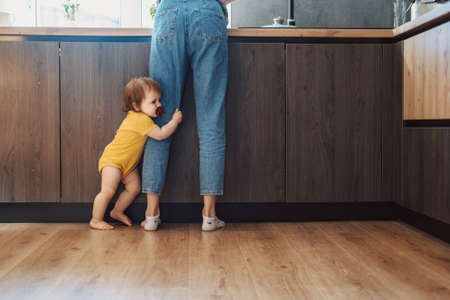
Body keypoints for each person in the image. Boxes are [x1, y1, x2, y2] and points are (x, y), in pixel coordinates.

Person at [141, 0, 233, 231]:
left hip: (168, 13)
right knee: (211, 117)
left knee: (159, 116)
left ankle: (151, 214)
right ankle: (209, 215)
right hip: (209, 13)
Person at [89, 77, 183, 230]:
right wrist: (174, 121)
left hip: (128, 165)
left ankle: (117, 211)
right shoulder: (141, 120)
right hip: (113, 160)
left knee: (134, 188)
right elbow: (160, 134)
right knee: (108, 190)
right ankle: (95, 219)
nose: (159, 105)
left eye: (159, 100)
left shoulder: (140, 118)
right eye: (153, 102)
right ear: (136, 105)